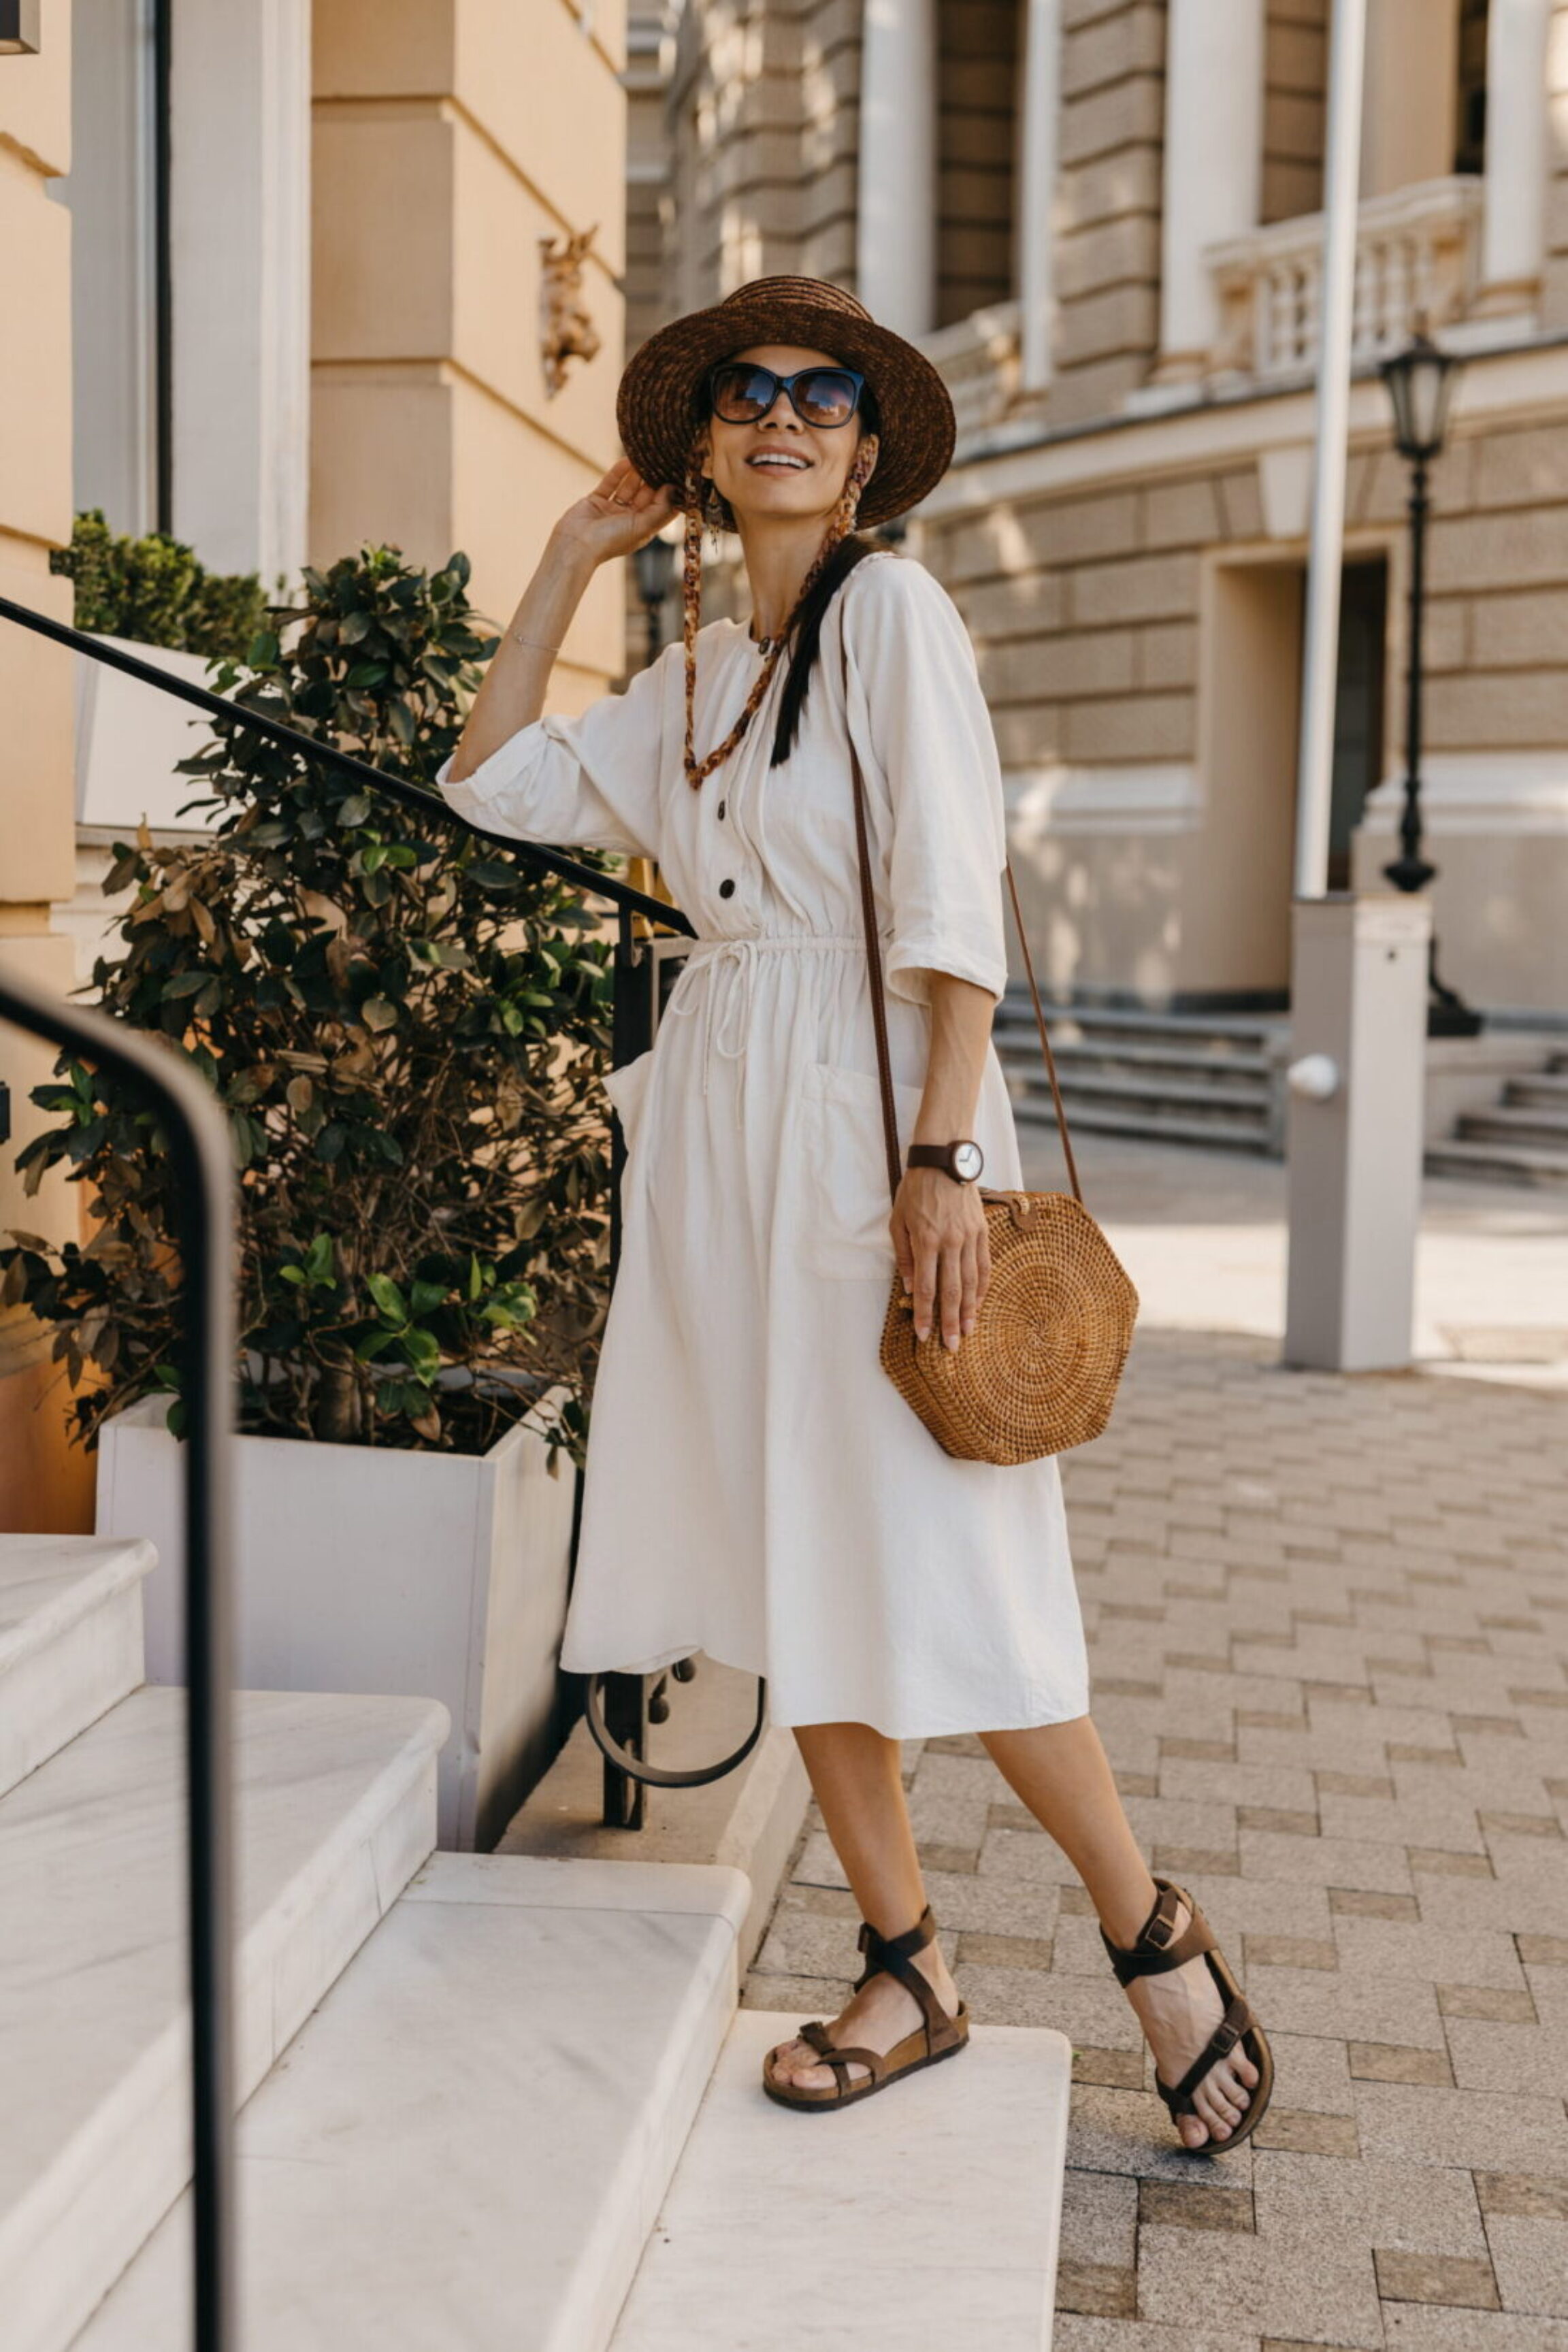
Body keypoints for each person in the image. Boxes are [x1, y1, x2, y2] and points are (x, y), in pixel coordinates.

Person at [440, 276, 1271, 2145]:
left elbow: (954, 905)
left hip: (863, 1119)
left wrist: (942, 1165)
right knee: (787, 1562)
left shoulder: (892, 614)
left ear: (868, 448)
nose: (786, 418)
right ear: (708, 448)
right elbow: (491, 785)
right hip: (722, 1136)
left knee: (953, 1569)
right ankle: (909, 1956)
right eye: (748, 396)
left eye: (822, 395)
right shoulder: (699, 682)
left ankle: (1153, 1935)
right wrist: (574, 557)